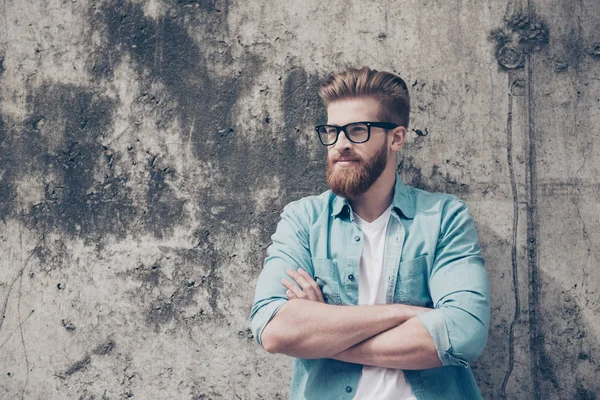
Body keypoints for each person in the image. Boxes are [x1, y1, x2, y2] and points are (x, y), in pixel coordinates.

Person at [250, 66, 490, 400]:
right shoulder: (303, 220)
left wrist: (324, 336)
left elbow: (463, 333)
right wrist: (403, 313)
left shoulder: (443, 218)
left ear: (397, 138)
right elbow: (273, 329)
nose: (341, 144)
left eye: (358, 130)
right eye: (332, 131)